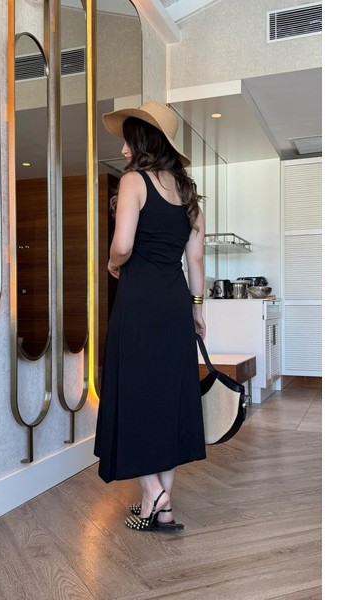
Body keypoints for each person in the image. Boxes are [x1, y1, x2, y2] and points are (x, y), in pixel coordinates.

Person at [94, 101, 206, 532]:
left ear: (144, 140)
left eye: (128, 140)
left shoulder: (134, 182)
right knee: (168, 396)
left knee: (133, 393)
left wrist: (112, 263)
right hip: (175, 304)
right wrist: (197, 310)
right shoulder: (189, 196)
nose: (123, 149)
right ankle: (161, 503)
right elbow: (196, 262)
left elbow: (123, 245)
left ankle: (152, 494)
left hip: (139, 303)